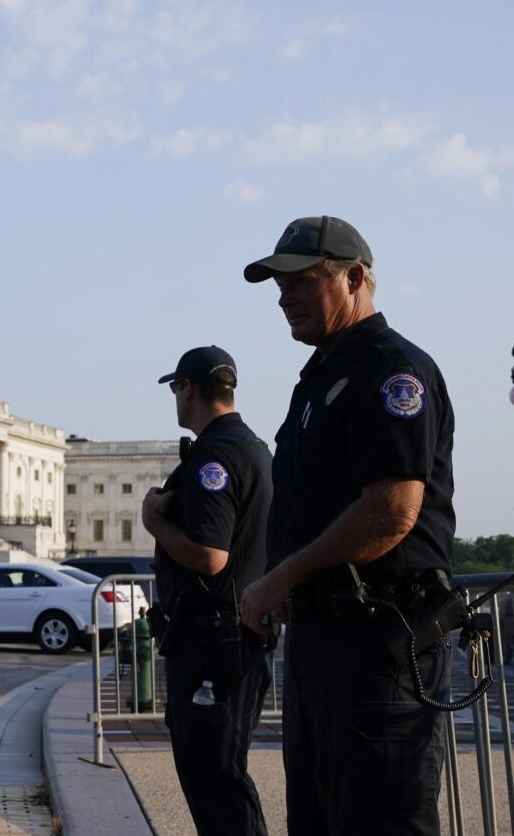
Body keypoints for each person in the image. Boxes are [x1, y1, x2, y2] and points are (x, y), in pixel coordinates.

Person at [237, 216, 457, 836]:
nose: (284, 298)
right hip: (324, 645)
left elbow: (392, 510)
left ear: (355, 277)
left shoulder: (391, 370)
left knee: (378, 820)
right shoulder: (321, 377)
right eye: (278, 285)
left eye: (300, 282)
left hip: (379, 644)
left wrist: (280, 578)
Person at [141, 345, 273, 836]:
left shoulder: (214, 458)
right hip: (234, 639)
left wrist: (155, 522)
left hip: (213, 646)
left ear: (188, 388)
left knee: (213, 777)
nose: (176, 398)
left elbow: (209, 556)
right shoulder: (254, 448)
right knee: (222, 773)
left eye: (176, 388)